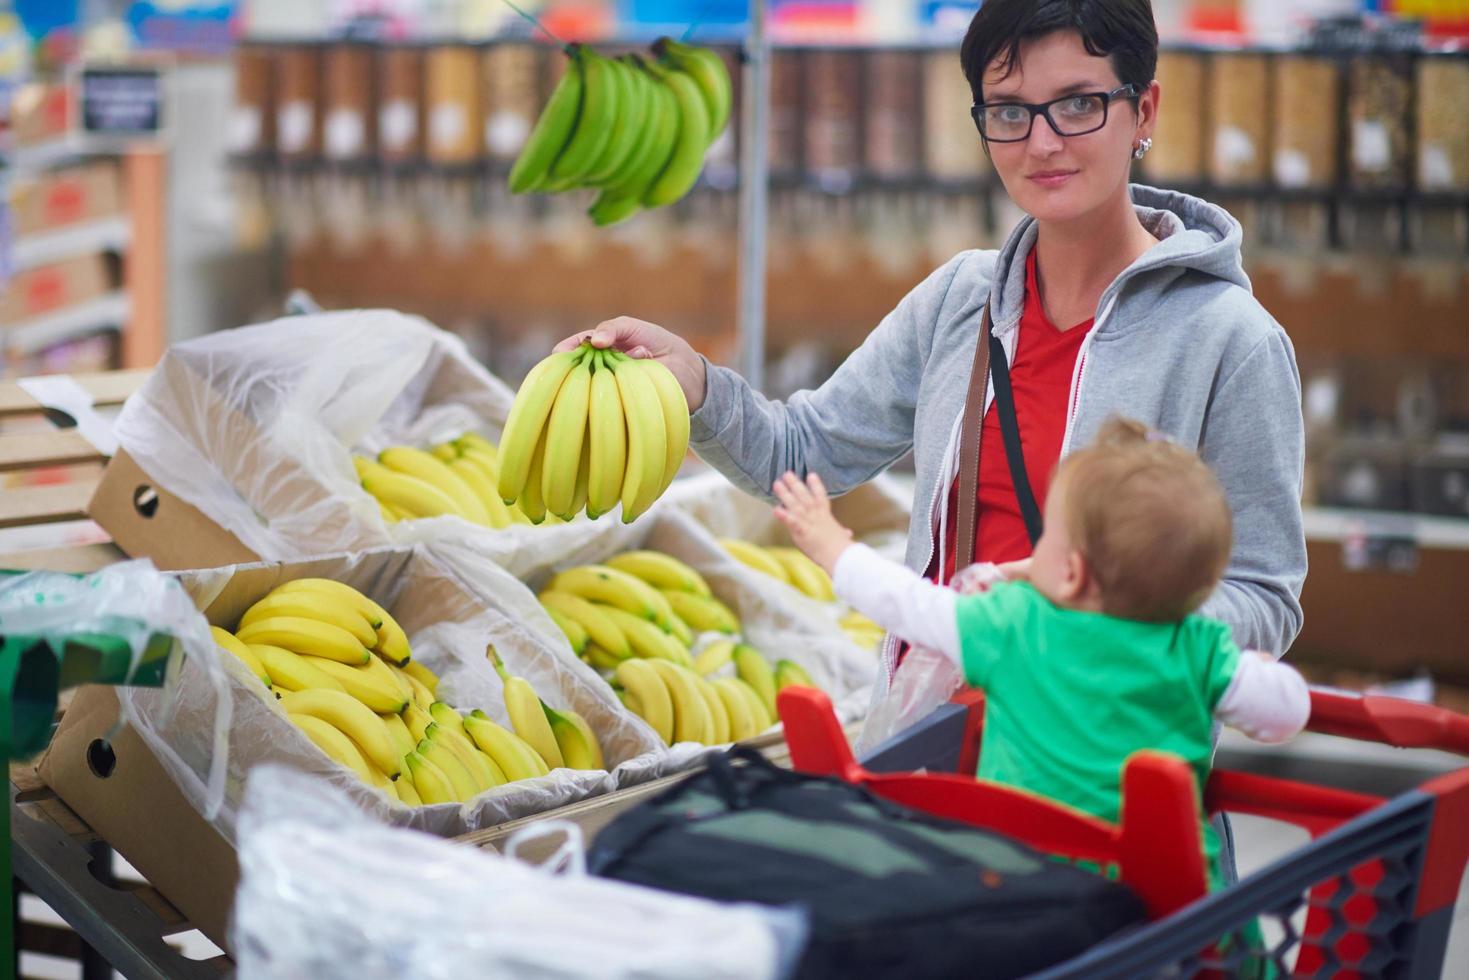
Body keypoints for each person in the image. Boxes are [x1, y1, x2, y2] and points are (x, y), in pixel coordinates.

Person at [556, 0, 1305, 734]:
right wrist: (691, 381)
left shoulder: (1229, 340)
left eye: (1077, 104)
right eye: (1009, 111)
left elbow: (1263, 603)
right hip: (928, 754)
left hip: (1096, 770)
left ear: (1142, 111)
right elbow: (802, 452)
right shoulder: (960, 301)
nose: (1041, 142)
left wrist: (1096, 625)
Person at [769, 417, 1311, 884]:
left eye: (1048, 534)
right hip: (1164, 904)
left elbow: (908, 603)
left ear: (1073, 571)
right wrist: (1259, 671)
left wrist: (833, 547)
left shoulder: (1017, 627)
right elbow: (1287, 713)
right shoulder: (1198, 648)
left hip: (1027, 885)